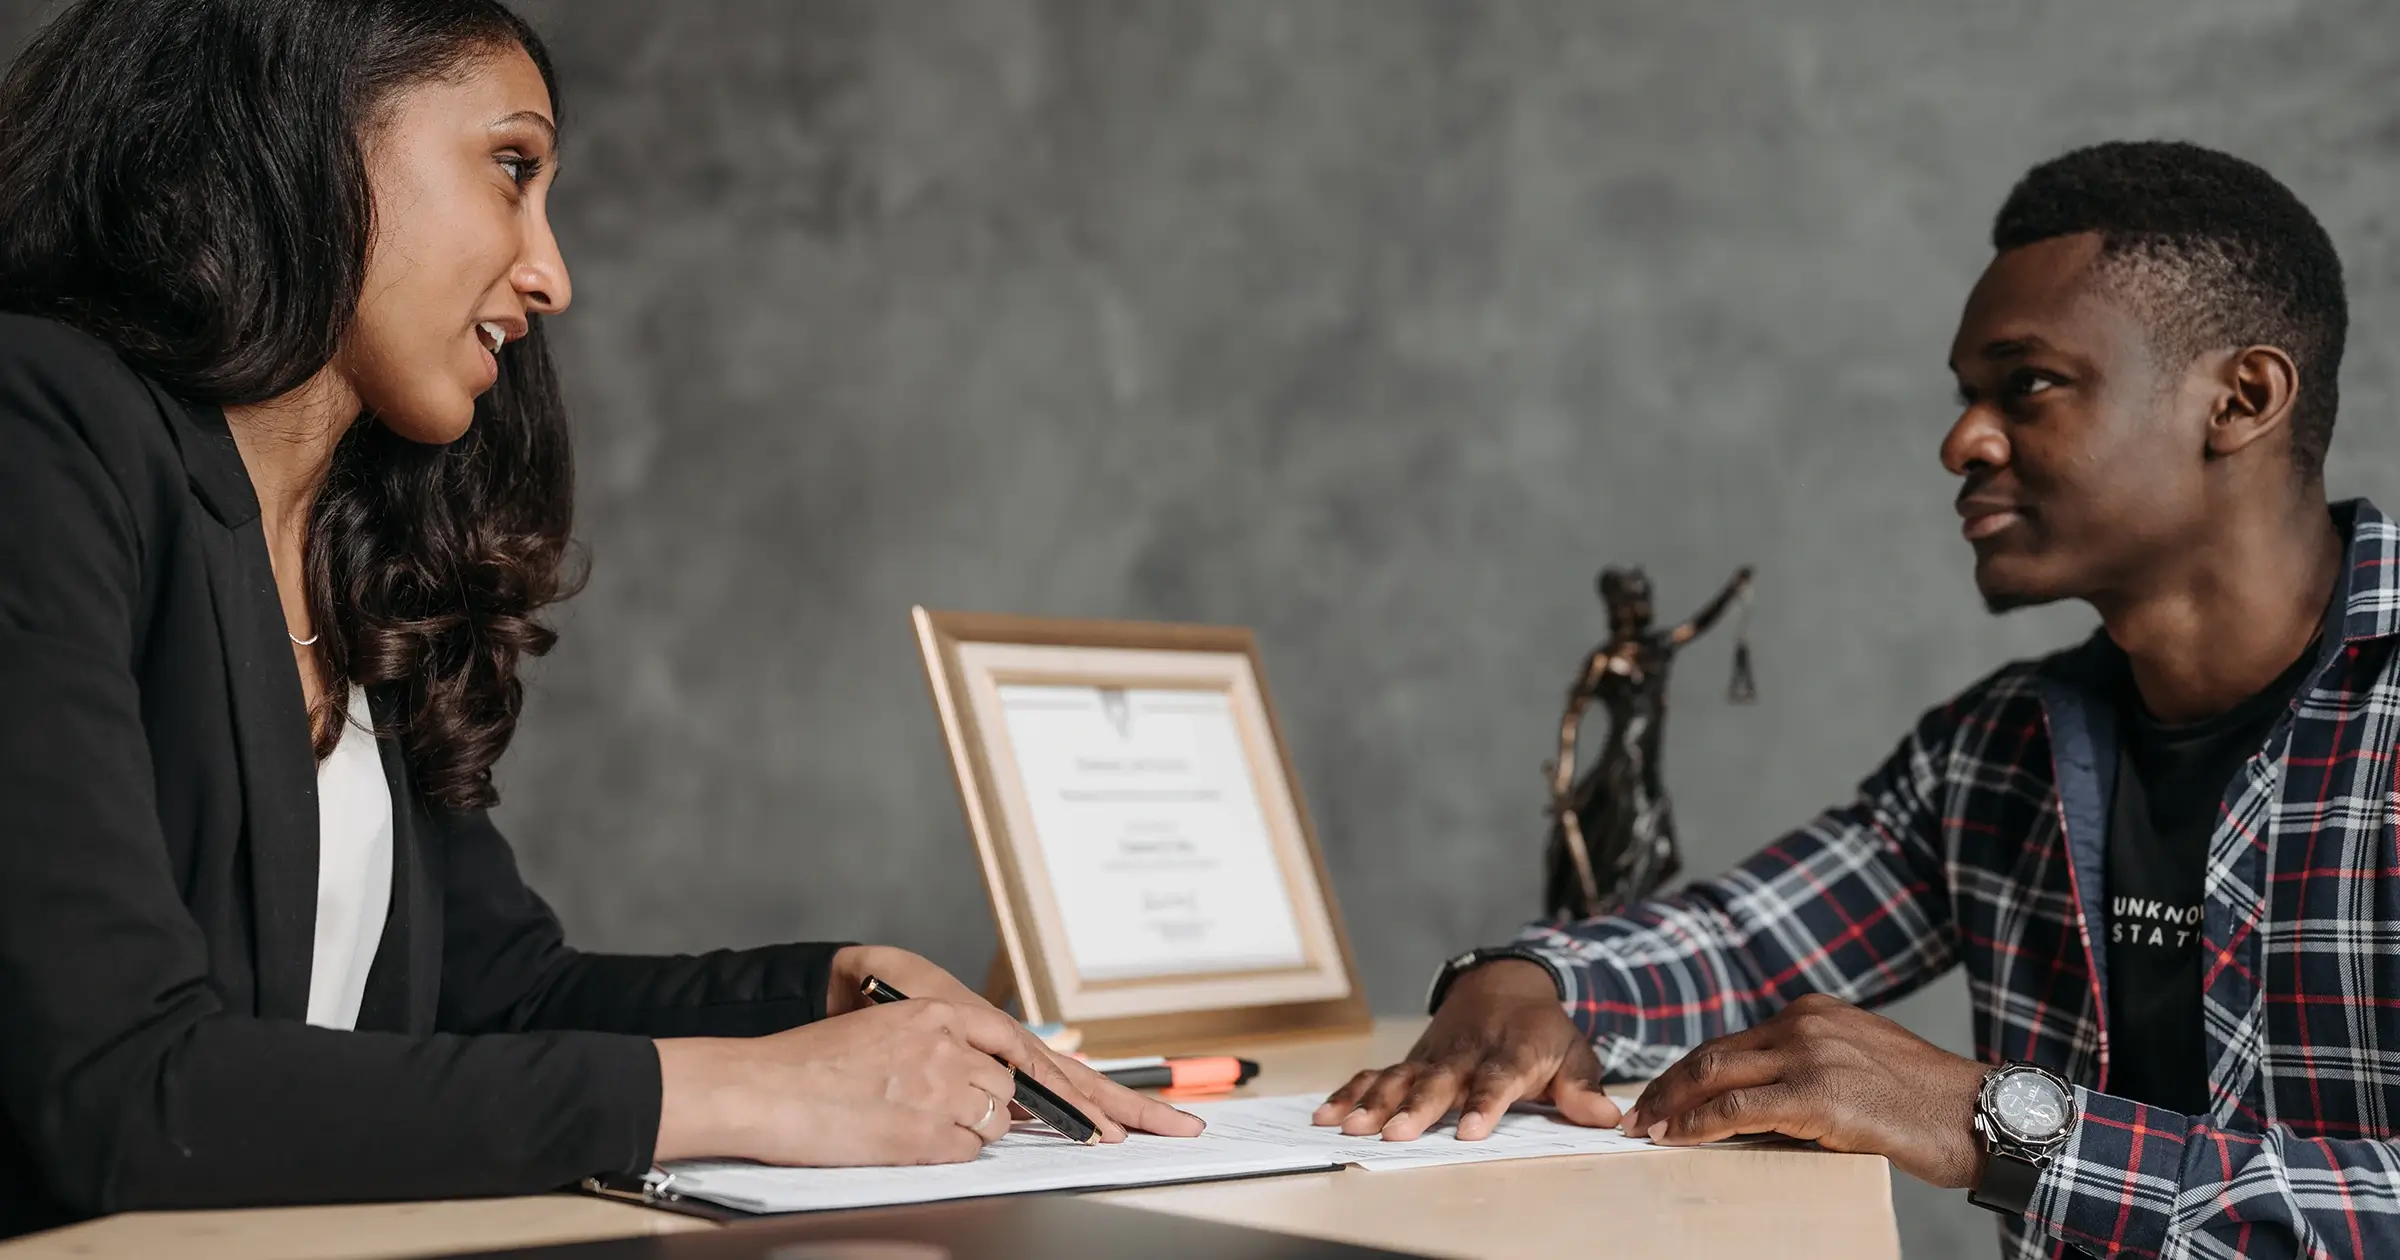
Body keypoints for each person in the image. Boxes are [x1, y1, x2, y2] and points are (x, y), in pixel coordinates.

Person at [0, 0, 1199, 1240]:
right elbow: (123, 1094)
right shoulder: (41, 427)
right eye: (511, 169)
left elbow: (500, 999)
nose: (551, 275)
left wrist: (821, 997)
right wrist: (748, 1092)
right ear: (300, 123)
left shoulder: (357, 557)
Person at [1325, 140, 2394, 1260]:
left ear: (2243, 397)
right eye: (1965, 397)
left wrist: (1993, 1125)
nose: (1961, 442)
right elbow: (1745, 949)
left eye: (2026, 385)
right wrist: (1521, 981)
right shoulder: (1999, 750)